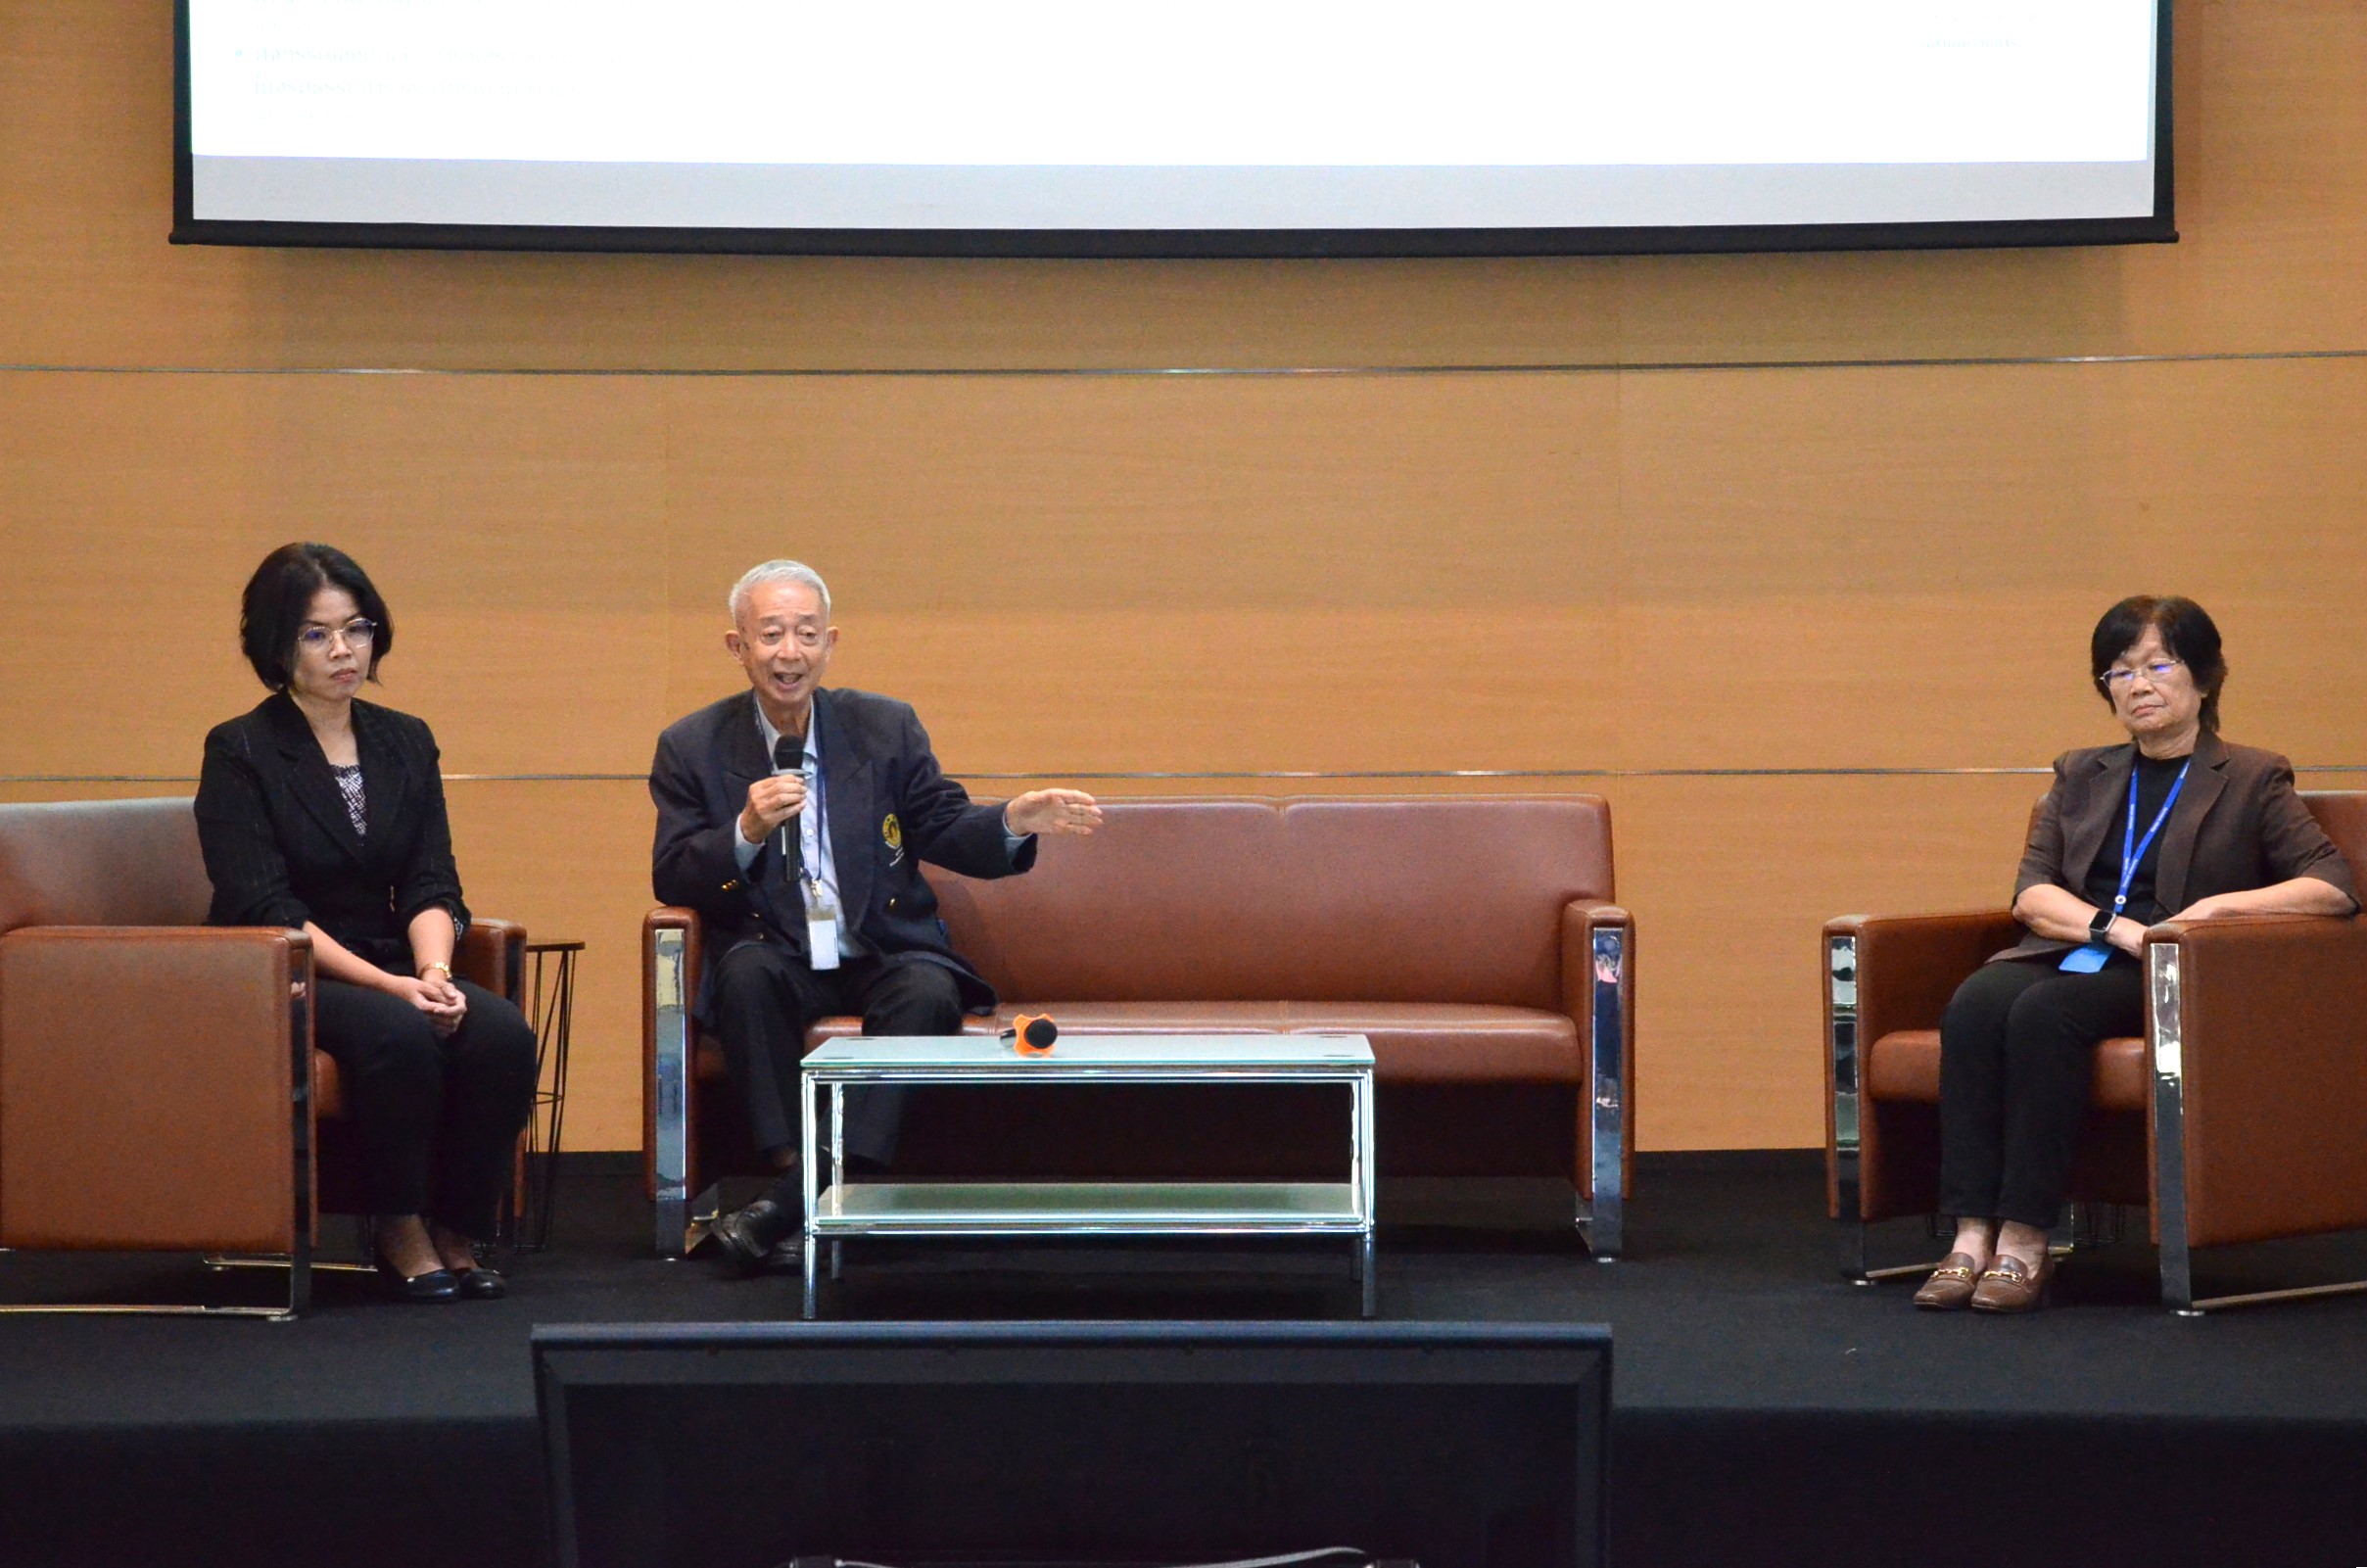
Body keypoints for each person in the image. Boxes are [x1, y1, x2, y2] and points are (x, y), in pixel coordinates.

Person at [649, 559, 1104, 1272]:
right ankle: (805, 1183)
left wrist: (1011, 820)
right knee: (744, 975)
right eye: (771, 634)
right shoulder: (692, 745)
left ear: (830, 644)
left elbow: (943, 826)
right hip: (776, 949)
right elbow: (673, 873)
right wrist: (744, 830)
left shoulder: (884, 725)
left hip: (881, 948)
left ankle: (788, 1207)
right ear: (738, 646)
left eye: (806, 634)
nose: (790, 653)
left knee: (927, 989)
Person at [1917, 595, 2357, 1313]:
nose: (2138, 685)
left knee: (2045, 1014)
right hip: (2088, 947)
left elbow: (2332, 885)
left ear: (2204, 678)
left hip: (2174, 969)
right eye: (2119, 672)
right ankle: (1969, 1233)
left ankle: (2025, 1238)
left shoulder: (2251, 776)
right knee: (1973, 1004)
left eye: (2159, 665)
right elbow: (2032, 893)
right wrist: (2113, 929)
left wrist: (2211, 911)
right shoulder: (2080, 772)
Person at [196, 544, 539, 1304]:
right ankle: (398, 1224)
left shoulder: (404, 739)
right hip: (284, 967)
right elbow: (266, 905)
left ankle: (458, 1226)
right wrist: (393, 987)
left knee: (501, 1033)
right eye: (316, 634)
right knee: (398, 1031)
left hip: (388, 955)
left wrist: (434, 973)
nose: (343, 649)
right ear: (276, 645)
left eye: (356, 628)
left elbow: (430, 879)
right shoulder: (241, 749)